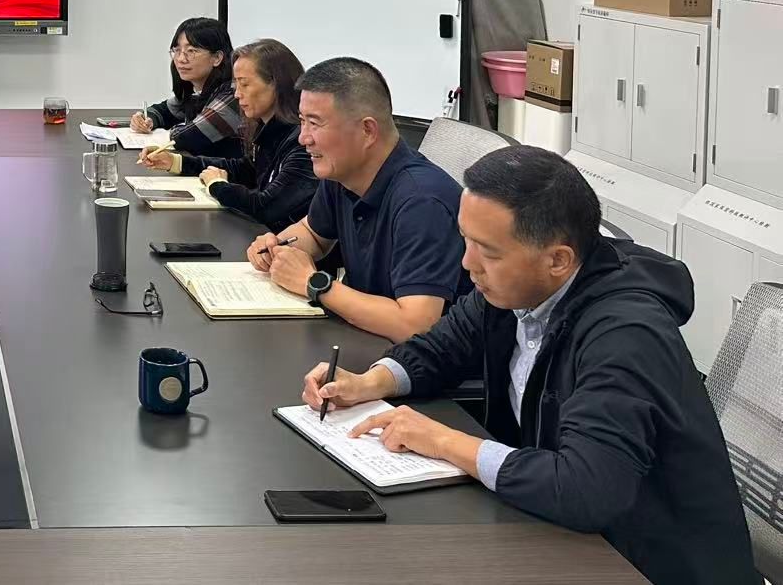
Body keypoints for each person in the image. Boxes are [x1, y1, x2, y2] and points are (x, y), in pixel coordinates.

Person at [303, 147, 757, 585]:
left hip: (648, 563)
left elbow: (587, 489)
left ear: (558, 259)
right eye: (466, 240)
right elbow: (442, 347)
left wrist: (443, 441)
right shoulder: (515, 289)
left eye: (488, 251)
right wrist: (369, 382)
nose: (467, 263)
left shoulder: (625, 334)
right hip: (566, 538)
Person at [246, 57, 465, 341]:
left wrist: (314, 283)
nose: (303, 138)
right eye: (302, 121)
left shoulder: (423, 201)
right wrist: (277, 247)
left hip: (413, 359)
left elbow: (415, 325)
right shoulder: (343, 173)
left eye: (315, 123)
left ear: (367, 131)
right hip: (365, 340)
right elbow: (313, 234)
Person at [146, 38, 315, 233]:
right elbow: (247, 170)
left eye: (245, 84)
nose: (237, 95)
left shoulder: (303, 142)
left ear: (276, 84)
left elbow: (266, 207)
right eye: (236, 86)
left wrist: (217, 186)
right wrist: (176, 162)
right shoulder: (269, 128)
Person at [131, 17, 244, 164]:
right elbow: (164, 110)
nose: (181, 59)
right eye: (177, 50)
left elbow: (188, 137)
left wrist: (174, 130)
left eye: (191, 51)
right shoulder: (198, 92)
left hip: (228, 176)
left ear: (217, 57)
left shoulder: (234, 94)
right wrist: (147, 120)